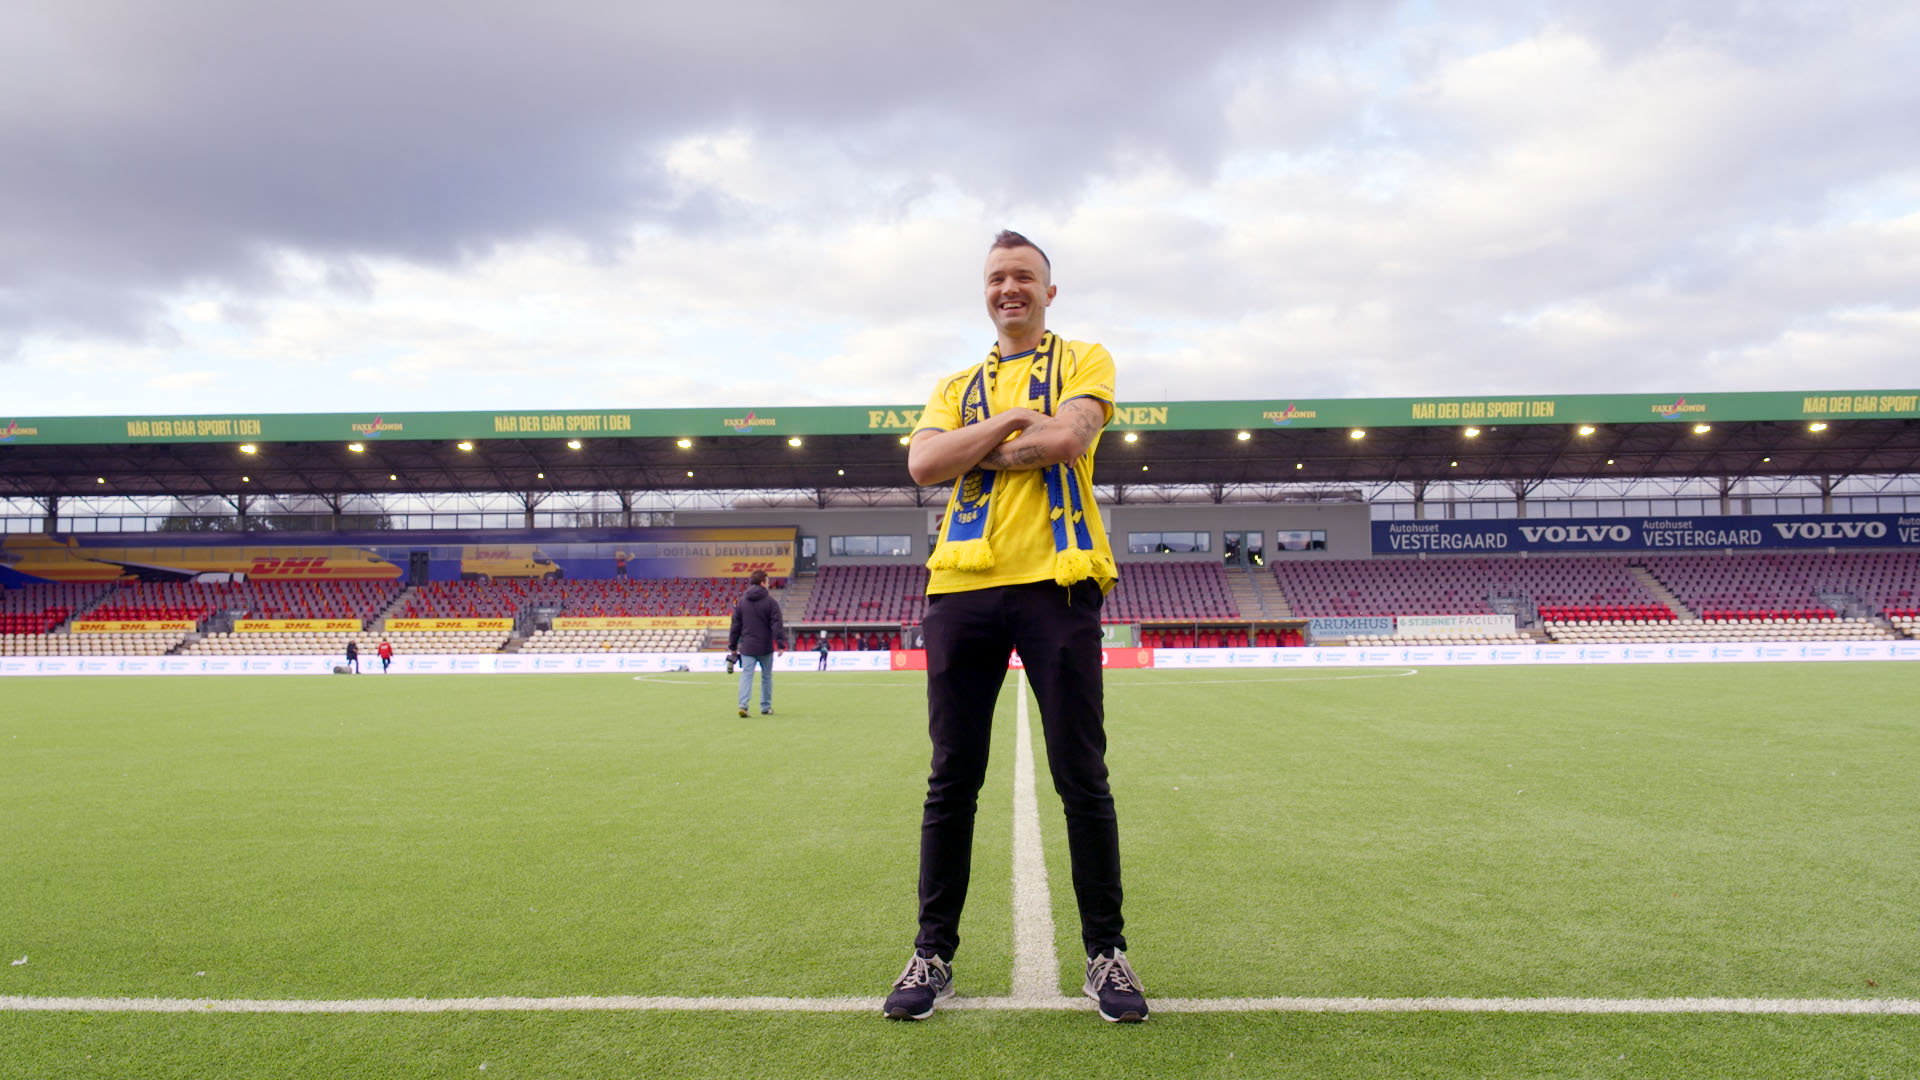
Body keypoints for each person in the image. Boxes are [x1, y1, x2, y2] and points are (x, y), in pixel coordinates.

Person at [883, 231, 1146, 1023]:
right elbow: (922, 467)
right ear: (985, 291)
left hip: (1057, 584)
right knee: (951, 779)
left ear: (1048, 292)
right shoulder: (955, 384)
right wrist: (1010, 423)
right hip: (960, 587)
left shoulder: (1085, 359)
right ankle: (932, 954)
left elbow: (1068, 438)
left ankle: (1107, 953)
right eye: (998, 277)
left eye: (1024, 276)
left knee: (1081, 775)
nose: (1010, 288)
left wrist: (972, 446)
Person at [727, 569, 783, 717]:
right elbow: (776, 624)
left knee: (746, 676)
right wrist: (780, 644)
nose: (769, 584)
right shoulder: (771, 602)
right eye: (768, 581)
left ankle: (743, 706)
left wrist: (733, 646)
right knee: (766, 677)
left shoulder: (741, 602)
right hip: (765, 646)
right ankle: (766, 707)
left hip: (748, 646)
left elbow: (735, 626)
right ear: (762, 583)